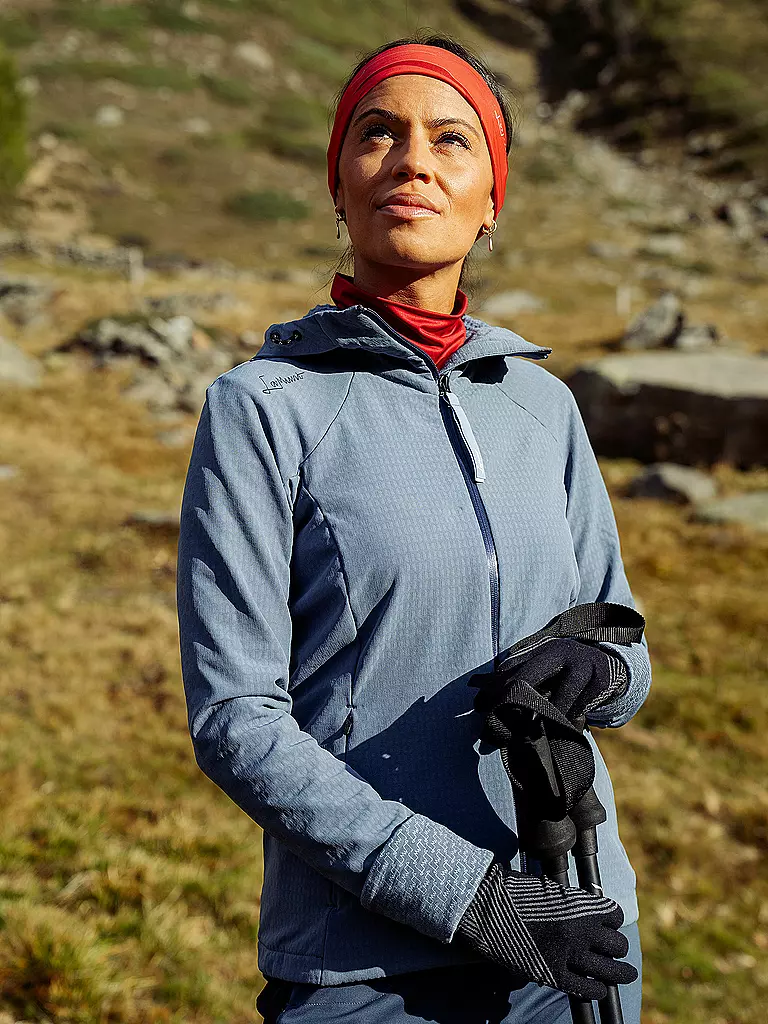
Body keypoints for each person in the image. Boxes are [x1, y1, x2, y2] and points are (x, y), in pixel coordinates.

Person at [176, 34, 652, 1024]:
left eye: (451, 139)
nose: (413, 162)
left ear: (492, 200)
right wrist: (470, 896)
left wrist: (601, 671)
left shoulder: (543, 405)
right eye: (378, 133)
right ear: (338, 184)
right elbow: (236, 719)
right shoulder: (262, 409)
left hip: (579, 934)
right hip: (368, 968)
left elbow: (623, 637)